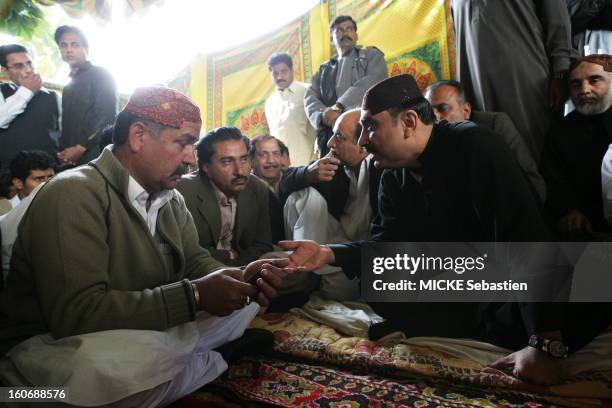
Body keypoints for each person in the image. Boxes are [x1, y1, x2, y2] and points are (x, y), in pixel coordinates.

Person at [280, 74, 612, 386]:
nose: (364, 141)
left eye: (370, 127)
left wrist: (544, 344)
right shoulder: (392, 175)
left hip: (512, 277)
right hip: (460, 282)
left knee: (598, 274)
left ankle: (511, 328)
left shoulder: (475, 145)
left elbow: (524, 239)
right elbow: (387, 249)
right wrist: (327, 253)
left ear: (408, 122)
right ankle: (487, 324)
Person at [0, 87, 289, 406]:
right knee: (93, 373)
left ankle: (181, 360)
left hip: (143, 327)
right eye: (183, 142)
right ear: (138, 136)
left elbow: (196, 264)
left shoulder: (171, 198)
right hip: (57, 343)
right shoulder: (72, 193)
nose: (191, 157)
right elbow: (76, 313)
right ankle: (201, 361)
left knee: (243, 302)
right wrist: (194, 296)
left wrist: (238, 277)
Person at [452, 0, 574, 158]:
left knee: (530, 149)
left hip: (522, 78)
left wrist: (561, 71)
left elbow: (557, 20)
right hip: (473, 81)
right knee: (487, 150)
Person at [424, 80, 546, 202]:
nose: (435, 119)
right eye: (429, 113)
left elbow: (532, 181)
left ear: (466, 110)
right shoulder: (427, 138)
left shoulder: (495, 125)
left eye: (442, 109)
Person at [177, 127, 274, 266]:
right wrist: (229, 257)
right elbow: (188, 252)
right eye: (227, 162)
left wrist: (240, 267)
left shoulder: (257, 187)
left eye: (244, 159)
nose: (240, 171)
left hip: (246, 266)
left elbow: (263, 244)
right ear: (206, 167)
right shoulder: (183, 192)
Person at [542, 54, 612, 237]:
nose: (584, 90)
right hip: (585, 229)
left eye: (594, 80)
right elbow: (553, 179)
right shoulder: (560, 132)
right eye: (576, 84)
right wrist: (569, 210)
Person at [304, 15, 387, 157]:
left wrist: (339, 106)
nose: (345, 33)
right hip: (331, 136)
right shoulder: (324, 69)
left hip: (363, 130)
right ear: (331, 38)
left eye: (349, 29)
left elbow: (373, 81)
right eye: (339, 30)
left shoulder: (371, 56)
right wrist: (322, 115)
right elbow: (310, 96)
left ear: (356, 34)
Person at [55, 25, 117, 167]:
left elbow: (106, 116)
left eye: (75, 44)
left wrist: (81, 147)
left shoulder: (100, 74)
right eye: (63, 45)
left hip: (95, 154)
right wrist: (65, 153)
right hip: (70, 158)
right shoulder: (68, 88)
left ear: (86, 48)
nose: (69, 50)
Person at [0, 44, 60, 172]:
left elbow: (63, 133)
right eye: (18, 66)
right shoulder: (1, 92)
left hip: (48, 174)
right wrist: (27, 91)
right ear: (5, 71)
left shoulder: (54, 97)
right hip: (9, 175)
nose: (27, 70)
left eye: (29, 63)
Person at [264, 53, 316, 166]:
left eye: (284, 71)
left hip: (311, 165)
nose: (279, 77)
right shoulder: (269, 103)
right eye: (275, 73)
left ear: (292, 70)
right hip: (283, 169)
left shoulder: (309, 91)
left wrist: (314, 163)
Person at [249, 134, 286, 243]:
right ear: (251, 159)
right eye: (263, 154)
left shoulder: (291, 180)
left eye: (276, 154)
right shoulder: (244, 188)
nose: (271, 160)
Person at [1, 150, 55, 215]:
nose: (48, 183)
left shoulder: (61, 205)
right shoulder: (3, 213)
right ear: (19, 183)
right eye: (39, 179)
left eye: (50, 177)